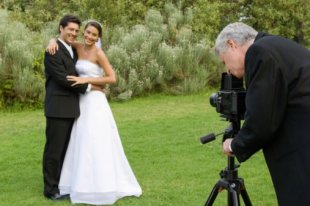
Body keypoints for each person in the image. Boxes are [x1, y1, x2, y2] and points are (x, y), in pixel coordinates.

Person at [47, 20, 142, 205]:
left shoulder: (99, 53)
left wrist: (86, 81)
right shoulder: (77, 46)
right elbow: (60, 40)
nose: (89, 37)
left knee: (97, 139)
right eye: (87, 32)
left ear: (99, 38)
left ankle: (100, 183)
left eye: (94, 35)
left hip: (95, 100)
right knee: (79, 139)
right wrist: (51, 40)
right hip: (79, 101)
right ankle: (74, 181)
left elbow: (112, 78)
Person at [215, 22, 310, 206]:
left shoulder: (258, 52)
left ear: (232, 44)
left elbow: (263, 117)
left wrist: (235, 145)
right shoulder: (277, 46)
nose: (228, 70)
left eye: (224, 61)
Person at [43, 14, 93, 200]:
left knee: (66, 149)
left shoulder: (72, 48)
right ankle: (50, 190)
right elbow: (64, 79)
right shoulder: (53, 51)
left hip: (71, 108)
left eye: (76, 31)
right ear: (61, 28)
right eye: (70, 29)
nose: (73, 33)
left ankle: (61, 184)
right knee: (54, 150)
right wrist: (89, 87)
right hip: (57, 108)